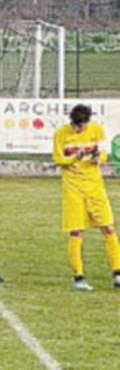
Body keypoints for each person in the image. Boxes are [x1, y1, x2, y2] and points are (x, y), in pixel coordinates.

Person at [52, 104, 118, 291]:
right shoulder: (61, 133)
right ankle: (78, 277)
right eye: (76, 125)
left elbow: (104, 152)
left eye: (82, 126)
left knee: (108, 227)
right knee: (77, 231)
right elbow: (58, 158)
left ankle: (117, 272)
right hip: (73, 189)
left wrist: (99, 158)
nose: (78, 129)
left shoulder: (96, 129)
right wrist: (74, 157)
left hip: (95, 187)